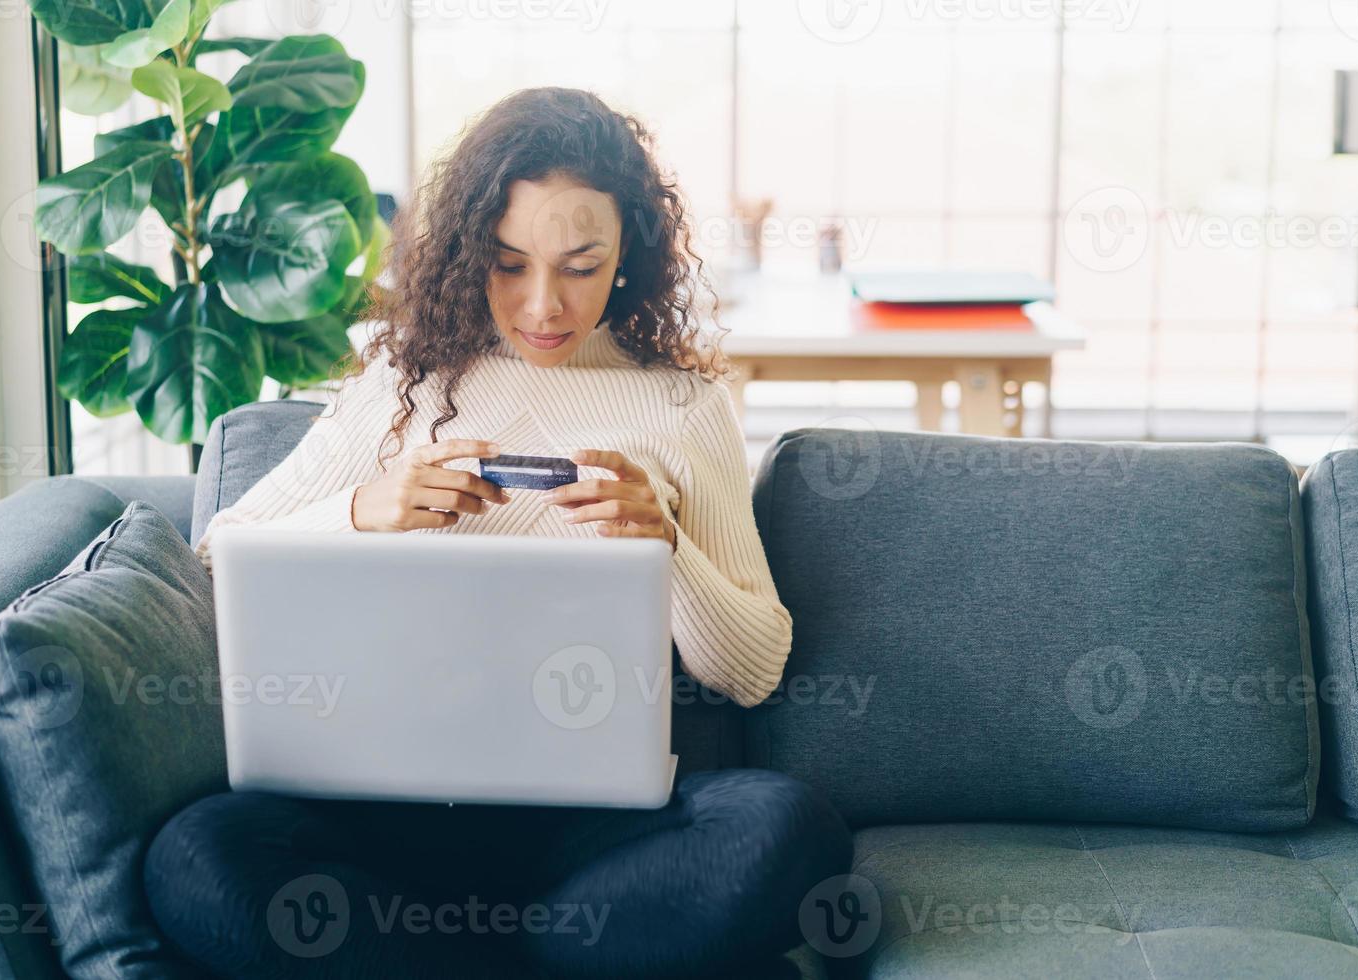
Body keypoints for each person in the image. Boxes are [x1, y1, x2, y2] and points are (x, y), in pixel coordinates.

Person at [145, 87, 852, 979]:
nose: (543, 306)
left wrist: (665, 547)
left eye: (580, 264)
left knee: (790, 828)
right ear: (469, 250)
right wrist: (368, 509)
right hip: (380, 817)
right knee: (195, 854)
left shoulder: (682, 404)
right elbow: (219, 555)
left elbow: (753, 671)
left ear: (628, 249)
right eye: (509, 263)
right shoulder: (407, 380)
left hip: (592, 844)